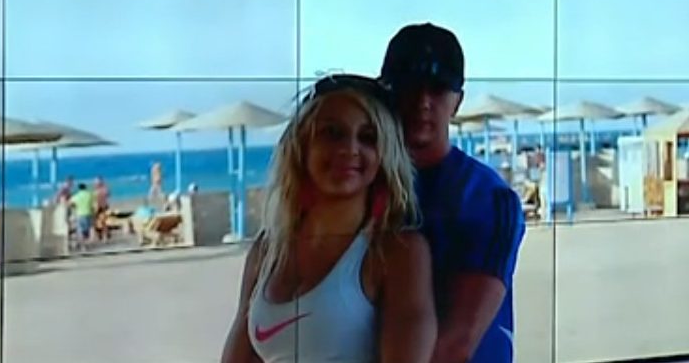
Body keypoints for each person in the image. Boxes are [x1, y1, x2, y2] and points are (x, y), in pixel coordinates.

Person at [221, 74, 437, 363]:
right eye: (332, 133)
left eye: (368, 138)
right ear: (302, 146)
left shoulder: (396, 252)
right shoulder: (268, 251)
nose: (349, 149)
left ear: (383, 156)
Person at [379, 23, 526, 363]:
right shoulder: (365, 187)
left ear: (457, 101)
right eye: (409, 85)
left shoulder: (488, 199)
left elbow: (456, 343)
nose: (422, 101)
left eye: (438, 89)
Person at [70, 183, 95, 252]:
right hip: (88, 213)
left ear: (79, 189)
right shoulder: (89, 194)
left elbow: (70, 203)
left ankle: (83, 246)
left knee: (80, 231)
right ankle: (87, 243)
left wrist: (75, 207)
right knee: (87, 230)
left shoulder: (76, 196)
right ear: (85, 188)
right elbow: (92, 204)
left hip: (80, 214)